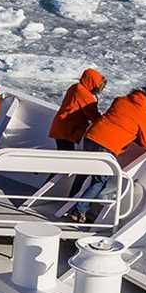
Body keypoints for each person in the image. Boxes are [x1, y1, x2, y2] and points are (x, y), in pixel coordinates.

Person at [76, 87, 146, 223]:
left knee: (83, 172)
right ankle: (79, 210)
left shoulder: (120, 100)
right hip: (107, 146)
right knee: (100, 180)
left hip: (90, 136)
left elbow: (115, 118)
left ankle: (70, 200)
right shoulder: (143, 114)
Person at [49, 67, 106, 205]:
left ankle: (49, 191)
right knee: (64, 163)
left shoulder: (76, 87)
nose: (99, 89)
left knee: (62, 162)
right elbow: (92, 115)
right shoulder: (83, 94)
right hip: (66, 131)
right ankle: (48, 192)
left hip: (63, 129)